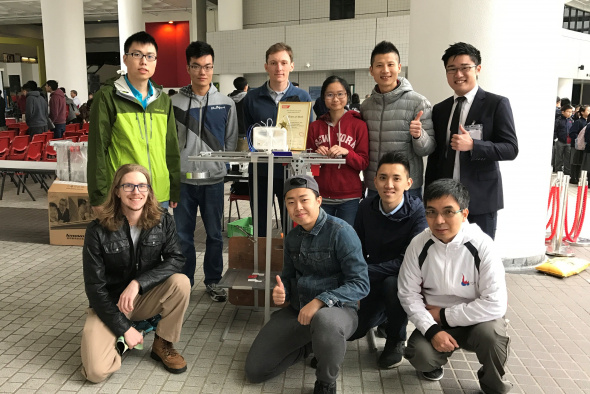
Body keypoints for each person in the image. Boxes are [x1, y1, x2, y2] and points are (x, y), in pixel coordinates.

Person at [245, 175, 369, 394]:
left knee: (325, 322)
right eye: (290, 202)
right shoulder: (292, 237)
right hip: (299, 310)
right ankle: (315, 345)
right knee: (256, 371)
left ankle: (325, 381)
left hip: (337, 311)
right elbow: (288, 276)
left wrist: (320, 301)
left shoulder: (341, 232)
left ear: (319, 200)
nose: (298, 207)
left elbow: (360, 284)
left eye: (304, 199)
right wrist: (281, 290)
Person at [398, 178, 511, 393]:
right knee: (419, 355)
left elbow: (496, 304)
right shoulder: (418, 244)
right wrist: (431, 330)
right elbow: (407, 293)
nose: (439, 220)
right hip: (436, 322)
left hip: (477, 321)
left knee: (492, 337)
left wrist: (444, 315)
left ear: (465, 214)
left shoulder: (483, 245)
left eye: (448, 212)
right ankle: (433, 364)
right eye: (431, 212)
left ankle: (492, 383)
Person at [81, 164, 190, 383]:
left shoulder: (162, 220)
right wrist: (124, 328)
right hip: (110, 305)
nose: (136, 192)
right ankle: (122, 340)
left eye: (142, 185)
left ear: (149, 190)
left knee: (181, 283)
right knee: (95, 373)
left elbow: (176, 259)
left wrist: (137, 284)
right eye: (128, 185)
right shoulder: (97, 231)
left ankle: (162, 343)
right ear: (117, 191)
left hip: (142, 298)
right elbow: (95, 289)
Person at [425, 42, 518, 240]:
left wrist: (475, 145)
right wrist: (429, 195)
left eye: (464, 68)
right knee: (445, 254)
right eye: (452, 69)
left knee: (479, 258)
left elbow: (511, 149)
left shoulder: (496, 104)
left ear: (477, 69)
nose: (458, 74)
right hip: (446, 203)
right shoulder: (440, 109)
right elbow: (435, 157)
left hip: (481, 199)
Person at [172, 41, 238, 299]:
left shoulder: (226, 103)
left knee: (214, 235)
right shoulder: (174, 102)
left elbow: (231, 140)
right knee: (182, 236)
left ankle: (213, 280)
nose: (203, 72)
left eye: (208, 67)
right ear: (188, 67)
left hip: (213, 181)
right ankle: (184, 282)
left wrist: (222, 166)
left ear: (213, 68)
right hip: (183, 181)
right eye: (197, 66)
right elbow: (170, 144)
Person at [349, 151, 427, 369]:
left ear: (409, 183)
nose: (388, 184)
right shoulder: (366, 207)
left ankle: (395, 339)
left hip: (402, 278)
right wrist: (355, 275)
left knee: (392, 284)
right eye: (383, 178)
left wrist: (365, 272)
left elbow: (408, 262)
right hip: (372, 275)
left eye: (396, 178)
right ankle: (382, 318)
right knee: (353, 331)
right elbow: (357, 247)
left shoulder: (418, 213)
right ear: (374, 181)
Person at [87, 31, 181, 211]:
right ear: (125, 58)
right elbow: (97, 150)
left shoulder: (163, 100)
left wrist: (174, 188)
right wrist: (98, 197)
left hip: (158, 193)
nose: (144, 61)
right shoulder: (108, 97)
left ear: (155, 61)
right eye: (137, 54)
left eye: (150, 56)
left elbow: (171, 148)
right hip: (124, 194)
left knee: (156, 240)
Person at [242, 42, 312, 236]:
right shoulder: (252, 98)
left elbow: (307, 136)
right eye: (273, 63)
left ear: (292, 65)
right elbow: (248, 133)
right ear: (266, 67)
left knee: (292, 221)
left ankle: (291, 264)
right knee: (260, 222)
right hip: (260, 170)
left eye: (283, 62)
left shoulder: (302, 97)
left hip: (291, 171)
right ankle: (261, 261)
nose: (278, 68)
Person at [361, 41, 435, 199]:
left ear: (399, 68)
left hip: (406, 187)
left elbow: (427, 149)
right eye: (379, 65)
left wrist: (418, 135)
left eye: (390, 64)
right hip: (375, 186)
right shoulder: (366, 106)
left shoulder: (419, 103)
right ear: (371, 70)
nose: (385, 70)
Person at [306, 75, 369, 225]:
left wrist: (347, 153)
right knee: (322, 238)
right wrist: (316, 156)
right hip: (321, 195)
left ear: (347, 95)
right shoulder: (315, 127)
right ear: (323, 98)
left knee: (345, 240)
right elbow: (307, 162)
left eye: (340, 94)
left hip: (349, 197)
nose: (335, 99)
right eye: (330, 95)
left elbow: (363, 163)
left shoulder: (358, 125)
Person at [569, 104, 589, 183]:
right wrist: (579, 139)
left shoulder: (587, 122)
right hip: (576, 146)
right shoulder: (579, 122)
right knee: (575, 161)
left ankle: (578, 177)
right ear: (582, 112)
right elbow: (572, 133)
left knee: (580, 162)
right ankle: (573, 177)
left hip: (584, 146)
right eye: (588, 110)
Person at [554, 104, 574, 176]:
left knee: (568, 158)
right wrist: (556, 138)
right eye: (568, 111)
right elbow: (555, 130)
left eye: (571, 112)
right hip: (560, 141)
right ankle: (558, 170)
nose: (570, 113)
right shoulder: (559, 120)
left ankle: (567, 171)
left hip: (569, 142)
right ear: (563, 112)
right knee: (559, 156)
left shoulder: (571, 121)